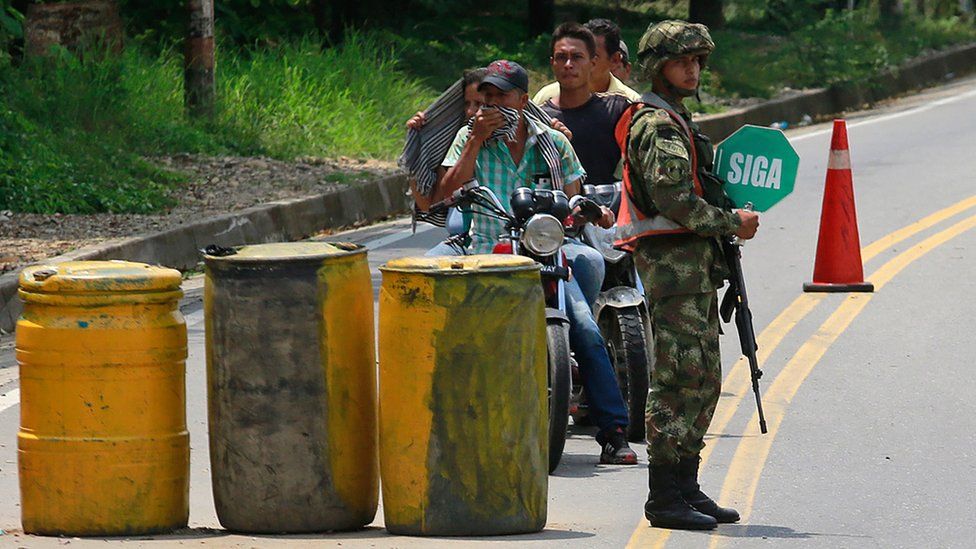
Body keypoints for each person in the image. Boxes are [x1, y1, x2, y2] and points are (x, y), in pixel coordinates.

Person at [437, 59, 638, 465]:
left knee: (583, 324)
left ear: (524, 100)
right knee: (453, 327)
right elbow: (447, 190)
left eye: (502, 96)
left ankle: (614, 432)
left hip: (545, 248)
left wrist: (585, 210)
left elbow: (574, 199)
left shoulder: (554, 142)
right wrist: (475, 141)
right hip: (487, 249)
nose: (492, 105)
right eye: (486, 97)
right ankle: (444, 421)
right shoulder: (468, 136)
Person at [614, 21, 760, 529]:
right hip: (672, 272)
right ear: (659, 68)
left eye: (698, 61)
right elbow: (674, 201)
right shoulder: (655, 124)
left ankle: (686, 485)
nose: (693, 69)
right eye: (683, 61)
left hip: (692, 270)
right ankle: (663, 497)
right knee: (677, 380)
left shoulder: (676, 117)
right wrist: (731, 223)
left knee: (702, 379)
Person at [538, 22, 631, 305]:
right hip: (556, 228)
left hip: (611, 222)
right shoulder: (538, 119)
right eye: (561, 58)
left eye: (577, 57)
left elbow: (637, 167)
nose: (569, 64)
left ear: (593, 62)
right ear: (552, 63)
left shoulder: (620, 108)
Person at [533, 18, 640, 104]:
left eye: (593, 55)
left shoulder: (630, 104)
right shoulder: (546, 98)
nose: (571, 64)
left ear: (615, 60)